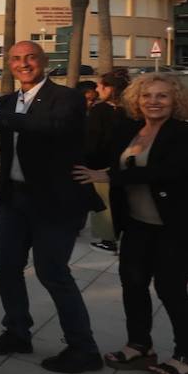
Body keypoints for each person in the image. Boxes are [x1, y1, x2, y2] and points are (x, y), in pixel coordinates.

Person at [0, 41, 103, 373]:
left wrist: (6, 117)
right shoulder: (6, 102)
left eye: (30, 57)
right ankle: (17, 332)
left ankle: (84, 348)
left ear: (44, 61)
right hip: (14, 200)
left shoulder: (67, 98)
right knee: (5, 266)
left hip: (56, 202)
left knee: (53, 273)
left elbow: (55, 128)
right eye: (16, 59)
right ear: (9, 64)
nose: (23, 63)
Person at [74, 73, 188, 374]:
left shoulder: (183, 133)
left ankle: (186, 355)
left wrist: (111, 178)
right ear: (137, 100)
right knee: (133, 283)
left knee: (171, 288)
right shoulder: (130, 130)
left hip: (175, 225)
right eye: (147, 95)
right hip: (137, 223)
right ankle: (140, 345)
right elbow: (114, 162)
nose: (153, 101)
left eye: (162, 96)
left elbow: (168, 171)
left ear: (175, 100)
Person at [86, 68, 130, 252]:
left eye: (100, 86)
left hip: (102, 165)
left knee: (104, 205)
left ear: (109, 88)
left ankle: (108, 240)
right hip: (126, 164)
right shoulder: (130, 109)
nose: (97, 89)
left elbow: (93, 140)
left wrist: (88, 163)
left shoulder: (100, 110)